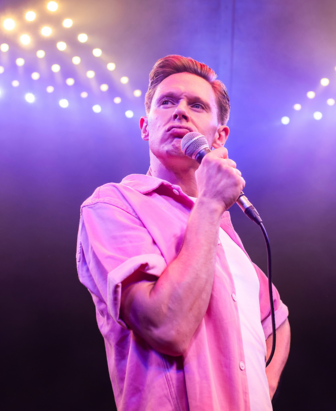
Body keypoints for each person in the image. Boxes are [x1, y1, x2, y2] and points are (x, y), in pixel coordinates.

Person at [76, 55, 291, 410]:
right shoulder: (114, 204)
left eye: (196, 105)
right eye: (167, 102)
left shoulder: (224, 236)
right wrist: (209, 204)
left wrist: (263, 385)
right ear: (146, 127)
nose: (180, 111)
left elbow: (277, 319)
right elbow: (165, 327)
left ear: (219, 135)